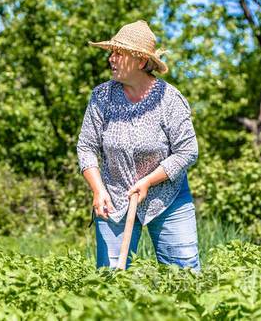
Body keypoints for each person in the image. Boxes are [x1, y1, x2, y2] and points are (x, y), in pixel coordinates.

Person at [77, 20, 201, 271]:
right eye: (111, 52)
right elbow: (86, 146)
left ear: (141, 61)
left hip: (169, 198)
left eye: (118, 53)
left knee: (183, 276)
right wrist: (98, 190)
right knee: (110, 279)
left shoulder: (169, 100)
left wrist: (147, 182)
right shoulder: (102, 96)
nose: (111, 58)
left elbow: (188, 151)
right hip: (115, 198)